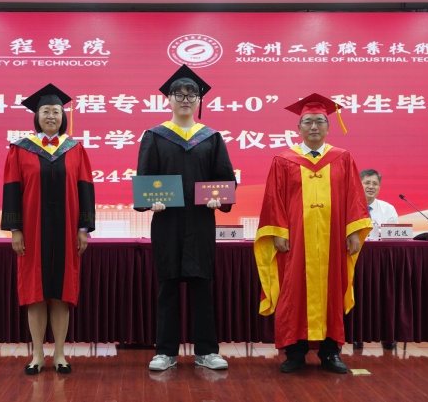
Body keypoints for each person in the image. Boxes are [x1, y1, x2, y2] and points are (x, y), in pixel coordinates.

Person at [254, 93, 372, 374]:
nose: (314, 126)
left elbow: (354, 197)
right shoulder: (283, 160)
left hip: (333, 240)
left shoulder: (342, 158)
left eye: (320, 121)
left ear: (328, 127)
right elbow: (274, 199)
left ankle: (330, 353)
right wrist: (278, 232)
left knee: (333, 292)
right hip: (295, 241)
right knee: (293, 293)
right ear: (298, 128)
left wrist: (353, 231)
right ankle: (294, 353)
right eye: (308, 122)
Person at [136, 65, 236, 372]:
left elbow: (225, 180)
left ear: (199, 100)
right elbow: (145, 179)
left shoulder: (211, 138)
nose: (185, 100)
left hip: (200, 221)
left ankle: (206, 351)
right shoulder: (155, 136)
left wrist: (220, 199)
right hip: (167, 222)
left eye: (191, 95)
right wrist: (149, 201)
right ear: (168, 99)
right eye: (178, 95)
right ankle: (165, 352)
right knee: (167, 286)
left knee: (201, 286)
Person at [1, 83, 95, 375]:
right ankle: (38, 355)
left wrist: (83, 228)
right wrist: (15, 229)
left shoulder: (75, 149)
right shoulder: (20, 149)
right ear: (37, 116)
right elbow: (11, 190)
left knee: (61, 293)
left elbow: (85, 189)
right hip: (32, 232)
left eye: (56, 111)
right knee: (35, 293)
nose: (51, 116)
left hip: (67, 232)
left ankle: (60, 354)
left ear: (63, 116)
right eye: (46, 111)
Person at [355, 168, 398, 350]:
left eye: (375, 184)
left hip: (381, 261)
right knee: (357, 296)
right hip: (354, 259)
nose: (371, 187)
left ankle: (387, 335)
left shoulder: (388, 209)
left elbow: (394, 237)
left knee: (384, 296)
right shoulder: (349, 206)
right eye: (367, 183)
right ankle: (356, 335)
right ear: (358, 185)